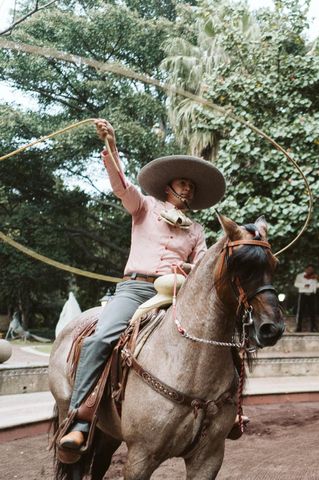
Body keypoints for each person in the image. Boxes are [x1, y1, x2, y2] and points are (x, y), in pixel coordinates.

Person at [59, 119, 226, 449]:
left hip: (177, 293)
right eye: (183, 183)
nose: (189, 189)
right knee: (100, 339)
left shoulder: (196, 230)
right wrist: (111, 146)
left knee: (219, 336)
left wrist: (190, 266)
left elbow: (204, 267)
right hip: (136, 289)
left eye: (192, 186)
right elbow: (122, 187)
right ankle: (80, 417)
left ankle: (227, 412)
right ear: (168, 187)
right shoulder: (145, 207)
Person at [294, 265, 319, 332]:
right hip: (303, 295)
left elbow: (316, 286)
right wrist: (304, 285)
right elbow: (296, 284)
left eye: (312, 269)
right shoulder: (300, 276)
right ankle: (298, 327)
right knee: (300, 312)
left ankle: (313, 328)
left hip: (312, 295)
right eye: (309, 269)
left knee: (313, 311)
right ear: (306, 269)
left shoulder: (314, 277)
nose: (310, 271)